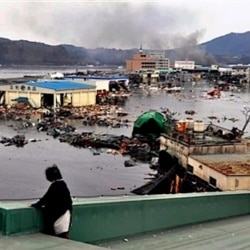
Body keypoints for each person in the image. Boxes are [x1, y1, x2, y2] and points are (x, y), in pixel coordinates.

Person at [31, 164, 73, 239]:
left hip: (58, 215)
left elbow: (45, 198)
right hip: (66, 214)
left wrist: (35, 205)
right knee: (64, 235)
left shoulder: (55, 186)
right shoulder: (63, 184)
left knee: (58, 234)